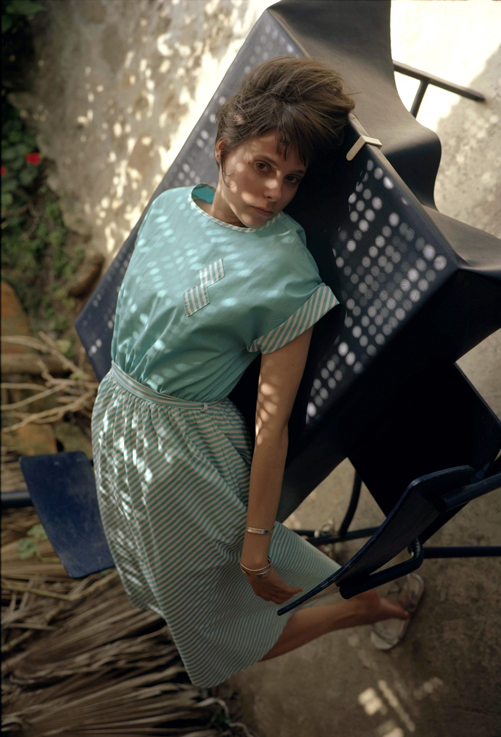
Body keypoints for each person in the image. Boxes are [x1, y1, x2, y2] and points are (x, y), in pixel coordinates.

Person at [92, 56, 409, 689]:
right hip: (120, 429)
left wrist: (257, 543)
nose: (275, 192)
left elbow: (272, 425)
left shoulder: (284, 273)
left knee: (209, 628)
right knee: (186, 600)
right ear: (221, 151)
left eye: (291, 178)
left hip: (186, 458)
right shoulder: (170, 209)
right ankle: (361, 603)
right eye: (262, 166)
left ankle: (362, 608)